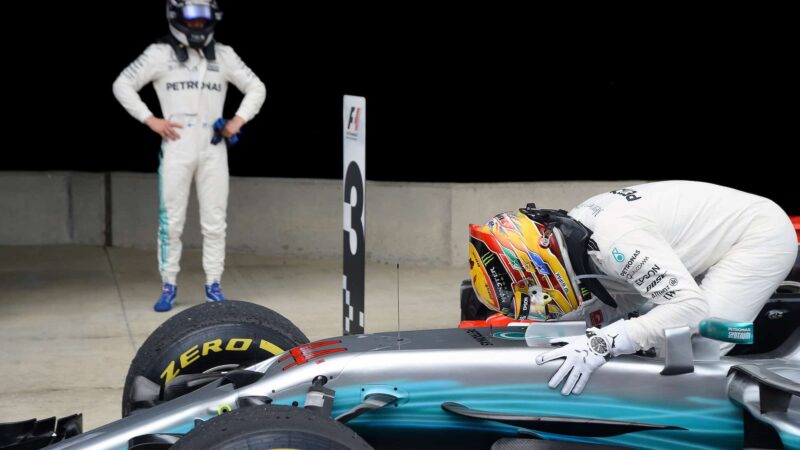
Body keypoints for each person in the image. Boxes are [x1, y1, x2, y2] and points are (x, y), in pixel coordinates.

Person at [468, 180, 797, 395]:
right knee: (646, 333)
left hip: (756, 234)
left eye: (526, 291)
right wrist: (585, 329)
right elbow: (614, 298)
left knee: (696, 346)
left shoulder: (615, 242)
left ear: (535, 265)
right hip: (704, 233)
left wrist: (602, 344)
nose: (532, 299)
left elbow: (690, 309)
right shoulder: (576, 233)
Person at [113, 0, 266, 312]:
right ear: (176, 18)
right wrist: (150, 119)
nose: (197, 26)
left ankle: (213, 283)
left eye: (203, 20)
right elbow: (122, 84)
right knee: (171, 222)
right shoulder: (159, 54)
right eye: (191, 20)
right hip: (177, 147)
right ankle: (168, 284)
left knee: (215, 221)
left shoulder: (223, 54)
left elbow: (256, 87)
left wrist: (237, 120)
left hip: (213, 147)